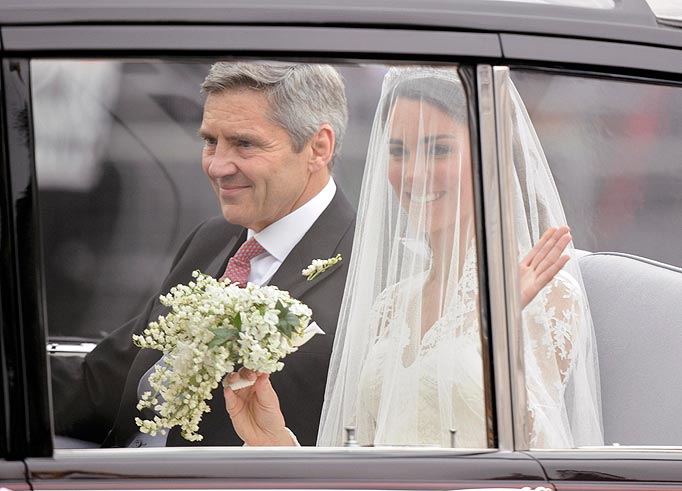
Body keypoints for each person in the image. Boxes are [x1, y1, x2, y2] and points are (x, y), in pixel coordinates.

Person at [224, 65, 603, 449]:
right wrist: (274, 441)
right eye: (398, 152)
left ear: (492, 160)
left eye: (438, 149)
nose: (414, 173)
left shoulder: (545, 294)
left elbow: (540, 454)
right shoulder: (392, 305)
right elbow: (361, 464)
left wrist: (495, 333)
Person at [50, 61, 355, 447]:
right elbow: (102, 382)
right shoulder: (212, 239)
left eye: (244, 143)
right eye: (210, 141)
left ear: (318, 147)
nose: (217, 165)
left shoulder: (363, 271)